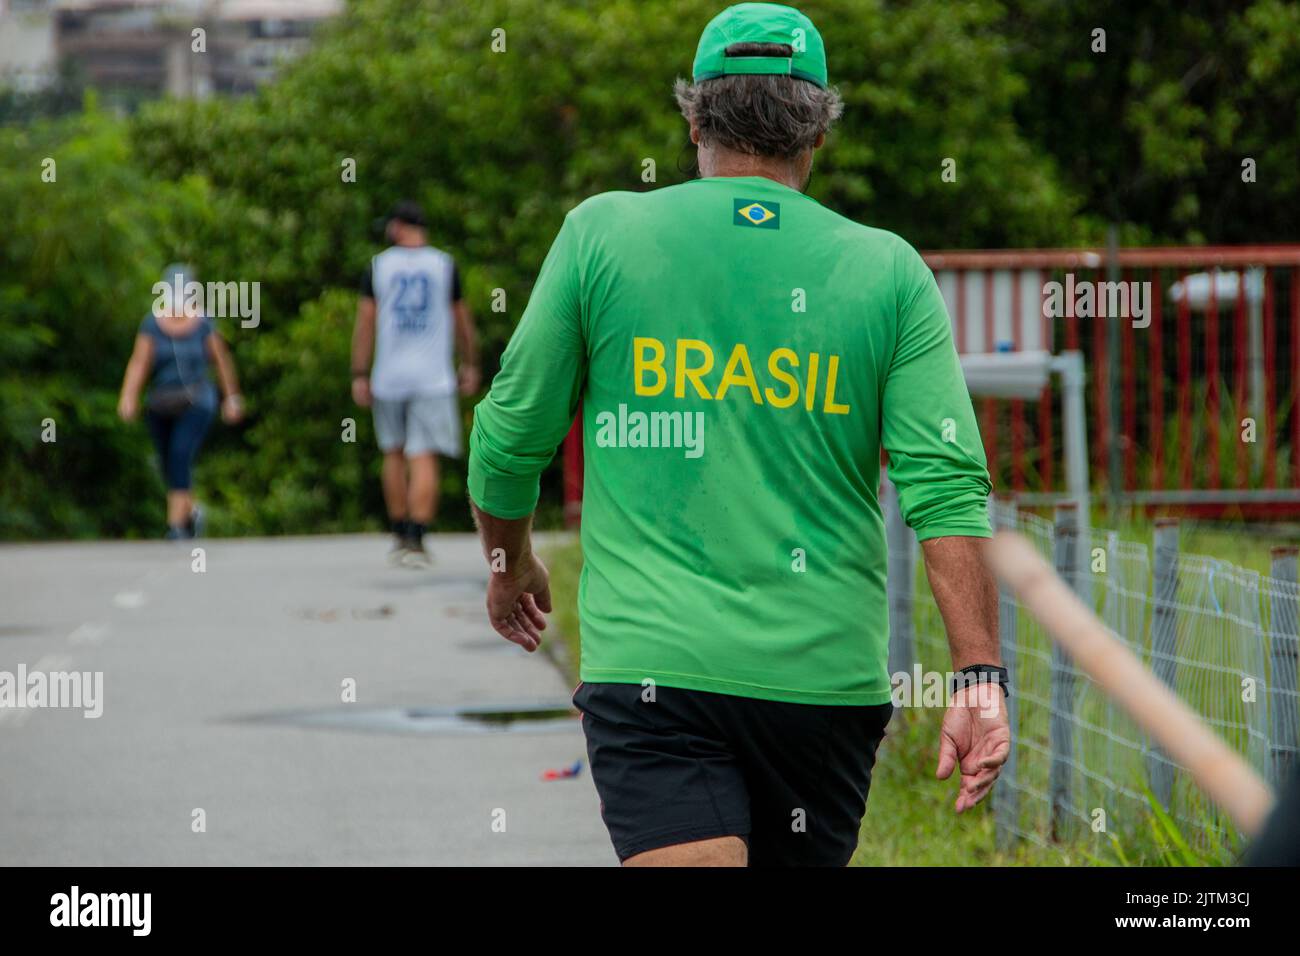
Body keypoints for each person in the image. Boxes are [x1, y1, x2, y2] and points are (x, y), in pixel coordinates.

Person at [468, 2, 1010, 867]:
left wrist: (510, 564)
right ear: (820, 130)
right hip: (823, 685)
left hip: (655, 670)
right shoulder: (888, 270)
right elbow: (945, 487)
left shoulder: (602, 234)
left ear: (692, 117)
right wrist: (979, 675)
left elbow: (509, 435)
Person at [352, 201, 480, 567]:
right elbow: (462, 320)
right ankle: (418, 537)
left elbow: (364, 322)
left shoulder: (378, 266)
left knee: (393, 451)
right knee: (423, 455)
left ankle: (399, 529)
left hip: (389, 375)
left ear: (398, 227)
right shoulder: (444, 265)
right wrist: (469, 363)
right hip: (433, 377)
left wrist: (359, 372)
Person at [118, 264, 243, 539]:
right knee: (166, 461)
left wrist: (231, 398)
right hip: (161, 402)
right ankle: (191, 510)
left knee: (180, 453)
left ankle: (176, 527)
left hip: (197, 399)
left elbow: (221, 362)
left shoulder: (204, 323)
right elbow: (139, 363)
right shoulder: (152, 324)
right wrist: (128, 396)